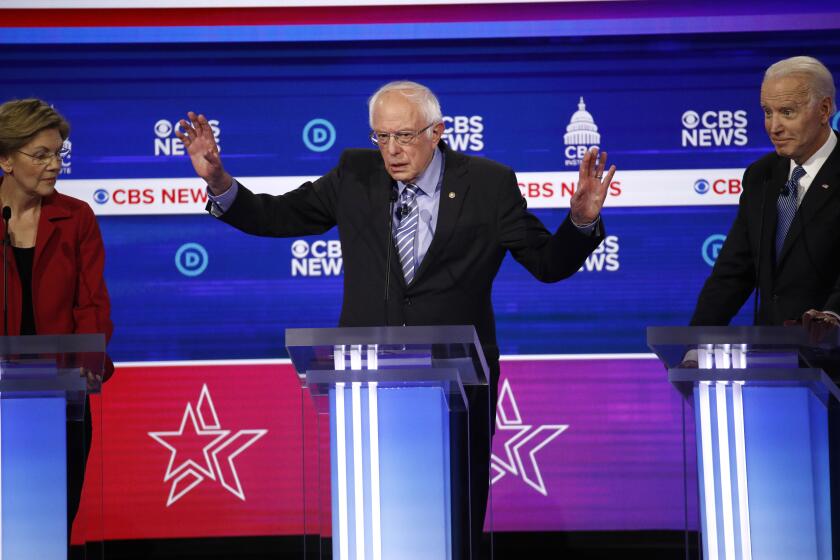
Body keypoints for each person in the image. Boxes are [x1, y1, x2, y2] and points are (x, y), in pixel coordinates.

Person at [179, 81, 614, 556]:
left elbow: (547, 264)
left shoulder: (488, 184)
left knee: (456, 521)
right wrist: (220, 183)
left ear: (438, 132)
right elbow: (278, 216)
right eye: (381, 137)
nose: (391, 150)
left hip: (459, 391)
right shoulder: (355, 175)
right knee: (373, 520)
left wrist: (580, 223)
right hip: (370, 388)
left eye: (404, 137)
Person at [0, 98, 113, 556]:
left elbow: (92, 304)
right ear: (5, 159)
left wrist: (85, 366)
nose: (54, 165)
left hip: (61, 396)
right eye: (41, 155)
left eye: (59, 153)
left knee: (51, 524)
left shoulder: (76, 217)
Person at [691, 56, 840, 342]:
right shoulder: (761, 176)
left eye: (786, 112)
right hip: (777, 364)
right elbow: (732, 274)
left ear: (824, 110)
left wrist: (832, 317)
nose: (774, 127)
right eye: (767, 112)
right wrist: (695, 343)